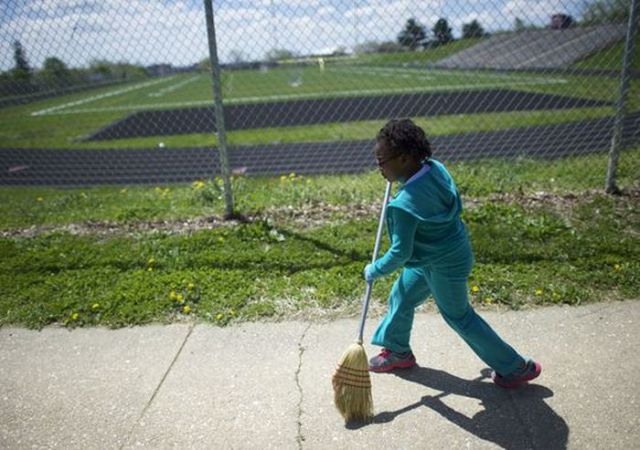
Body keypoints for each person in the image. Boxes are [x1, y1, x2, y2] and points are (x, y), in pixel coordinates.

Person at [364, 118, 541, 388]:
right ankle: (397, 350)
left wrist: (374, 269)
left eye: (381, 160)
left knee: (459, 316)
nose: (378, 167)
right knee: (402, 294)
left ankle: (516, 368)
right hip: (443, 251)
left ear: (405, 158)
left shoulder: (404, 205)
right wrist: (405, 196)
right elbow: (430, 202)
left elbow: (400, 253)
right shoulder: (435, 169)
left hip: (444, 265)